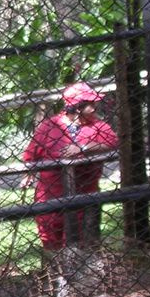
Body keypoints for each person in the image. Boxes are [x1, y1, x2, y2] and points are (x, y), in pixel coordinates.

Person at [23, 82, 119, 249]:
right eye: (90, 103)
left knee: (83, 244)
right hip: (51, 195)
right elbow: (31, 154)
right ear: (76, 107)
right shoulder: (49, 126)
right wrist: (29, 173)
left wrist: (84, 147)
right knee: (51, 242)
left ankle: (81, 273)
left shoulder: (98, 126)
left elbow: (113, 142)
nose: (95, 107)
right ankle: (56, 271)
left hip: (85, 194)